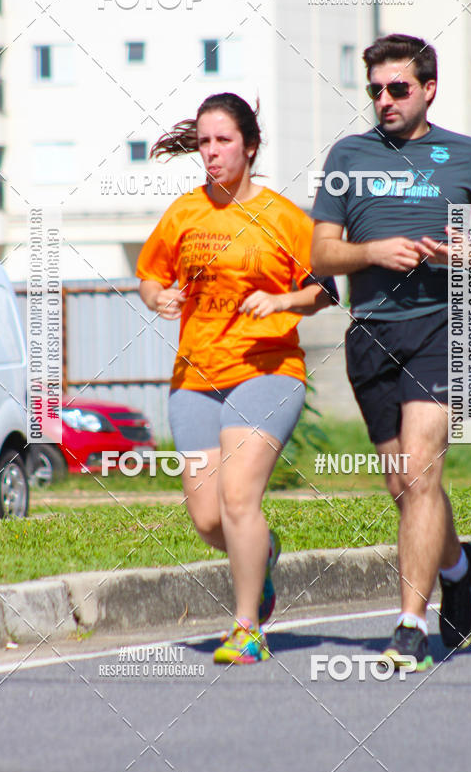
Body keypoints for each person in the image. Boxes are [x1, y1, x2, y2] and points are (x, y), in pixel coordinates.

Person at [311, 34, 471, 671]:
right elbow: (322, 254)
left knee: (423, 470)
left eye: (397, 88)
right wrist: (372, 252)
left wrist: (466, 253)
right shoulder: (347, 155)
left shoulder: (466, 156)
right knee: (404, 483)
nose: (384, 100)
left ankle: (410, 623)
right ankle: (459, 565)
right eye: (375, 89)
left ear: (429, 89)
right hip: (372, 331)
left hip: (446, 324)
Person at [137, 92, 336, 664]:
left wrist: (282, 301)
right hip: (195, 375)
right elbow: (150, 276)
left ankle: (247, 626)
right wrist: (160, 298)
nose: (212, 153)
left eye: (223, 141)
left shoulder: (283, 217)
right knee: (206, 518)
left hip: (267, 372)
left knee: (238, 497)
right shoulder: (185, 213)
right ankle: (264, 554)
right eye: (203, 142)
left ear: (249, 146)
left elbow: (325, 289)